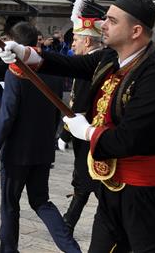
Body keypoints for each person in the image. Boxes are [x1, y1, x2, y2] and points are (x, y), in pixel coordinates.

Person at [0, 0, 155, 252]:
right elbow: (71, 64)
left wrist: (87, 132)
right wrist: (25, 54)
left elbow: (129, 139)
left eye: (111, 20)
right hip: (112, 189)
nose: (103, 25)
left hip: (147, 194)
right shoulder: (111, 57)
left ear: (135, 31)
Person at [0, 22, 80, 253]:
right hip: (42, 149)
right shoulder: (53, 71)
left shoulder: (17, 71)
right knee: (41, 201)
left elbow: (7, 115)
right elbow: (58, 111)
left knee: (9, 205)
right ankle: (71, 249)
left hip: (17, 152)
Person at [61, 15, 104, 235]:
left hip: (88, 133)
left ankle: (69, 223)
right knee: (87, 181)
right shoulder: (95, 61)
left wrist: (65, 133)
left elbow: (80, 104)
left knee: (90, 180)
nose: (73, 44)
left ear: (87, 41)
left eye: (76, 39)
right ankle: (68, 221)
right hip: (90, 133)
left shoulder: (90, 64)